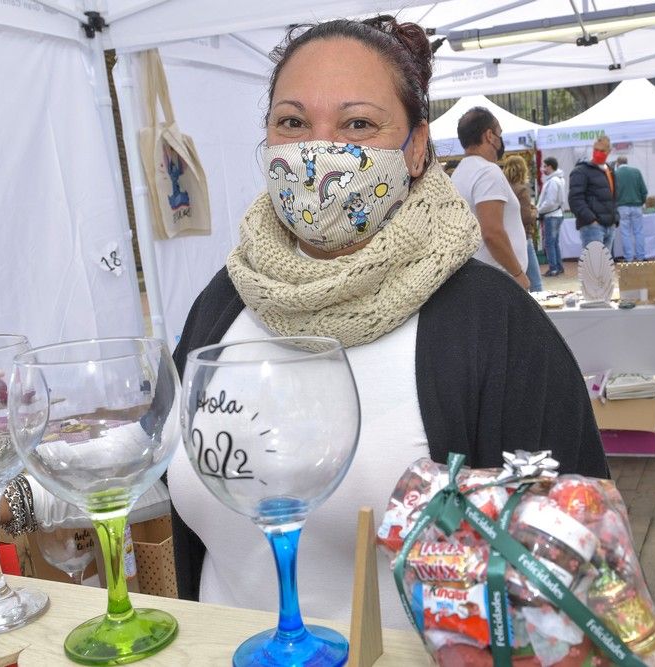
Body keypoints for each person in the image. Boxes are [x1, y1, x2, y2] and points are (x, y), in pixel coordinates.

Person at [166, 16, 608, 630]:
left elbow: (574, 572)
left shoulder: (495, 326)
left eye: (358, 124)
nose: (318, 152)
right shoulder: (227, 299)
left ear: (418, 145)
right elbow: (167, 472)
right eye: (292, 122)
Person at [451, 107, 530, 289]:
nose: (500, 141)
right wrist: (518, 274)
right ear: (489, 135)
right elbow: (492, 232)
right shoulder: (487, 171)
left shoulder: (460, 173)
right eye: (499, 134)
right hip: (499, 279)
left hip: (478, 277)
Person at [569, 135, 618, 253]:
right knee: (594, 265)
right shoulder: (581, 170)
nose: (598, 153)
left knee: (604, 265)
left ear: (609, 151)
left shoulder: (609, 170)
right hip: (592, 226)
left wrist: (615, 219)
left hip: (609, 224)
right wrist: (591, 220)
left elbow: (613, 196)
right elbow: (575, 199)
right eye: (596, 150)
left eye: (602, 151)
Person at [501, 155, 543, 291]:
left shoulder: (503, 188)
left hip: (507, 239)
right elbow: (525, 217)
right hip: (523, 238)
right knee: (535, 282)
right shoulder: (522, 190)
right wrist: (534, 212)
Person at [613, 156, 648, 262]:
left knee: (625, 233)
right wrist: (641, 202)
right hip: (637, 205)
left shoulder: (615, 174)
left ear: (618, 163)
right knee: (638, 232)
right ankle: (640, 256)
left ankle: (628, 257)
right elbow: (644, 191)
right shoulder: (636, 172)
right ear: (627, 162)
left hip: (622, 206)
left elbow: (612, 193)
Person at [537, 156, 566, 276]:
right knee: (554, 243)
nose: (542, 169)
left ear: (550, 166)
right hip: (556, 214)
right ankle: (558, 266)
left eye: (544, 166)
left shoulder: (553, 181)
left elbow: (550, 202)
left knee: (550, 243)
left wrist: (538, 210)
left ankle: (553, 268)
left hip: (551, 215)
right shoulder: (557, 179)